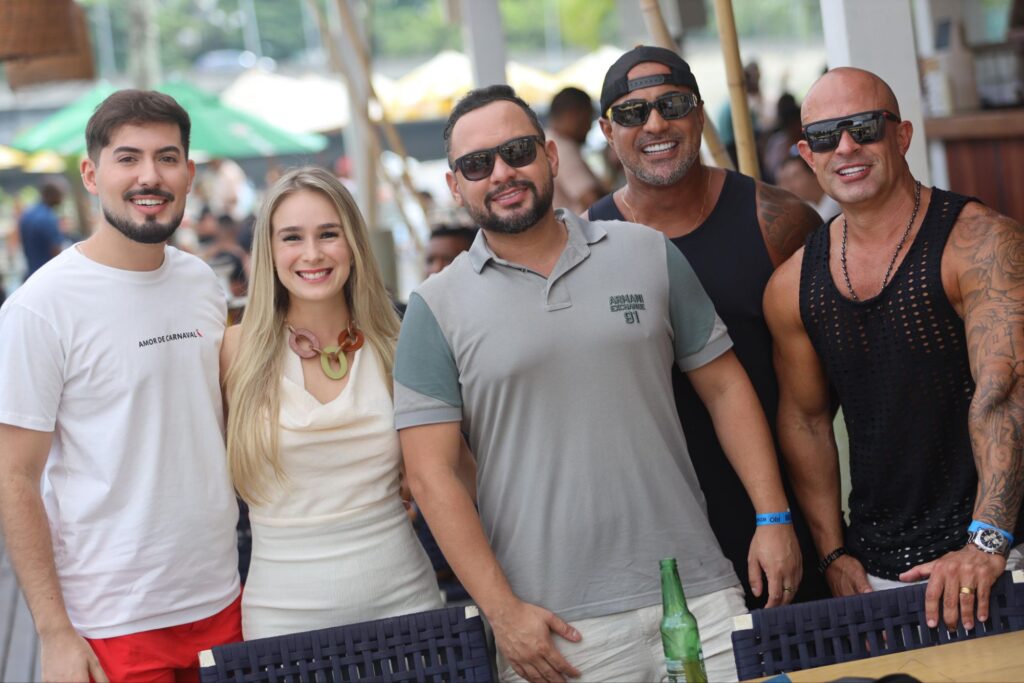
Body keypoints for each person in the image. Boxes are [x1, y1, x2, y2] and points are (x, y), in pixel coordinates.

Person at [395, 84, 802, 683]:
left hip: (697, 596)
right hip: (555, 629)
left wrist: (773, 517)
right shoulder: (434, 307)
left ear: (551, 156)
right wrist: (502, 613)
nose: (502, 173)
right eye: (477, 164)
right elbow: (431, 477)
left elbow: (725, 389)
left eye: (517, 151)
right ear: (455, 185)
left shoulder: (647, 253)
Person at [764, 67, 1024, 634]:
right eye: (826, 136)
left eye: (864, 127)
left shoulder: (980, 242)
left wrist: (986, 542)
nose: (846, 147)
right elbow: (806, 421)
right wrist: (833, 553)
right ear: (807, 155)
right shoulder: (791, 285)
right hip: (876, 570)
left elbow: (1004, 395)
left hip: (999, 555)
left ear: (902, 135)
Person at [0, 89, 241, 682]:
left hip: (222, 597)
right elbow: (13, 476)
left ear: (189, 174)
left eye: (166, 158)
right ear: (91, 174)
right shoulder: (40, 307)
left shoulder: (202, 285)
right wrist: (55, 632)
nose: (149, 176)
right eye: (128, 158)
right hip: (112, 621)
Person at [588, 45, 829, 608]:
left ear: (698, 114)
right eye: (632, 113)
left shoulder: (778, 221)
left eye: (672, 105)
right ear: (606, 130)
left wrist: (826, 536)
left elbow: (834, 386)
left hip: (780, 513)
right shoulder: (588, 243)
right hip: (658, 528)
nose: (655, 124)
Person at [220, 166, 442, 640]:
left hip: (407, 608)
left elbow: (447, 475)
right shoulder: (234, 351)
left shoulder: (397, 345)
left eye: (328, 234)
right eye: (292, 237)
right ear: (269, 250)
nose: (312, 253)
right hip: (281, 622)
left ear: (354, 243)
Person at [545, 87, 605, 214]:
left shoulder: (548, 140)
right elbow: (592, 201)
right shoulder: (562, 147)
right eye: (588, 117)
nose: (589, 126)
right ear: (574, 115)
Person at [18, 179, 65, 279]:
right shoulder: (48, 218)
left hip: (32, 273)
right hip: (48, 275)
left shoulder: (28, 214)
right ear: (52, 195)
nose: (62, 199)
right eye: (61, 194)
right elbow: (56, 251)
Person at [776, 148, 841, 220]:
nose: (789, 187)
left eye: (795, 177)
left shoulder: (838, 199)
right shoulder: (809, 206)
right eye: (784, 181)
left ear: (815, 174)